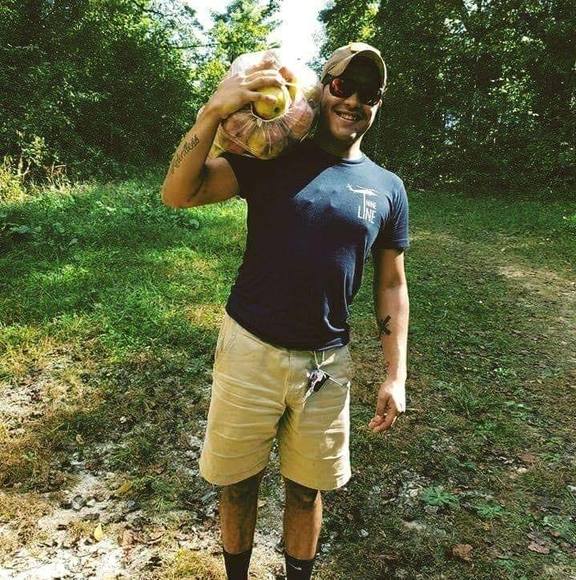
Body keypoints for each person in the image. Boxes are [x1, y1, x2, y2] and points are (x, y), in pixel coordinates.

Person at [161, 42, 410, 580]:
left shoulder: (387, 188)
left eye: (369, 94)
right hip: (250, 348)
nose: (353, 101)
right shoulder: (271, 155)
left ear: (378, 105)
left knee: (305, 492)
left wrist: (396, 374)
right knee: (238, 486)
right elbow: (179, 193)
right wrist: (211, 111)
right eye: (343, 87)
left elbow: (391, 283)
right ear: (321, 89)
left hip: (327, 364)